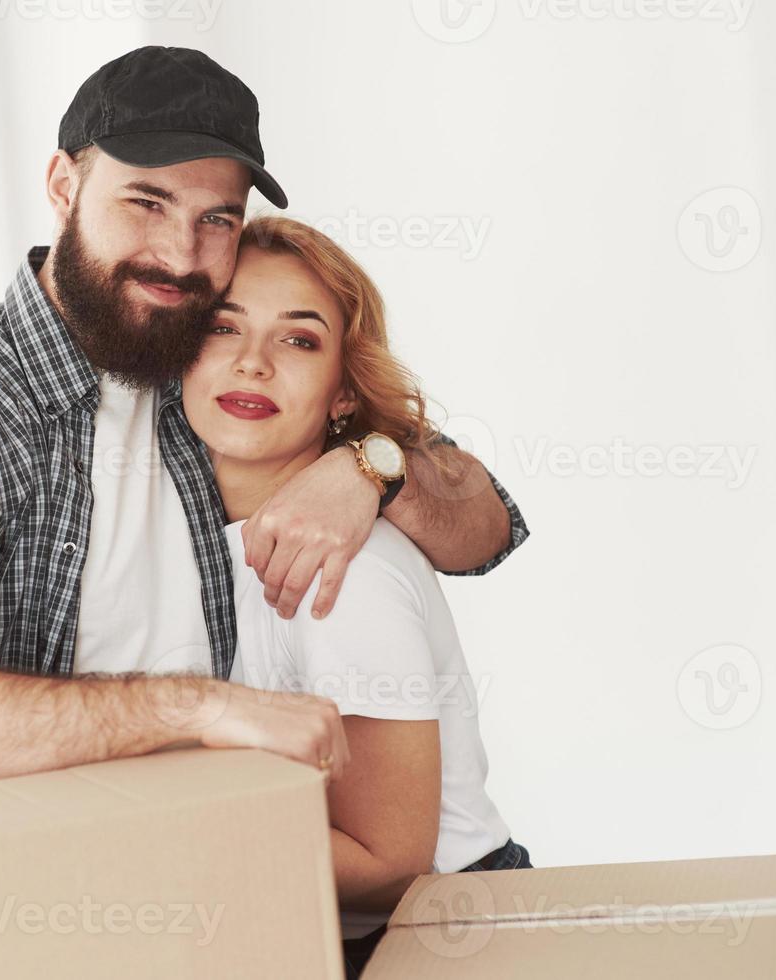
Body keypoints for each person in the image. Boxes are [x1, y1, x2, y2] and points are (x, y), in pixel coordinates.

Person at [0, 45, 528, 792]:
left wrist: (370, 468)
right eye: (146, 203)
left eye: (216, 218)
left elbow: (486, 530)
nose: (180, 254)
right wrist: (198, 707)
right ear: (64, 186)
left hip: (218, 868)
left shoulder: (202, 351)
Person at [180, 216, 532, 978]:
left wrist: (145, 846)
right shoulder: (197, 545)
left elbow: (388, 859)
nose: (253, 364)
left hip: (440, 933)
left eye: (298, 339)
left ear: (342, 391)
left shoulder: (345, 569)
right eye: (222, 328)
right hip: (318, 929)